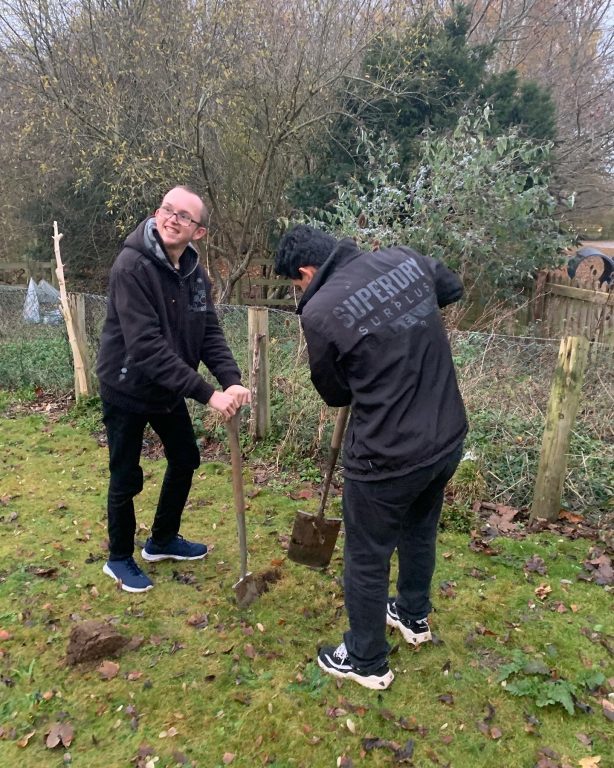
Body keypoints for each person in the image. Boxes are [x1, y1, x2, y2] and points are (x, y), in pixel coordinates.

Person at [275, 224, 467, 690]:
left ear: (306, 271)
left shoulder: (319, 311)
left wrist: (378, 336)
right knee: (419, 529)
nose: (300, 291)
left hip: (386, 457)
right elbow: (452, 286)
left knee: (366, 556)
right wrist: (400, 321)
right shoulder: (403, 258)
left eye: (296, 283)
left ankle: (366, 660)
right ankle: (412, 615)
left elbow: (334, 391)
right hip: (445, 438)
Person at [97, 186, 250, 593]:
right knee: (125, 475)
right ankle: (118, 558)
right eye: (168, 210)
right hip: (127, 385)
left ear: (198, 232)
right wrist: (208, 394)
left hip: (166, 388)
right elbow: (146, 348)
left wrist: (231, 380)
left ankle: (162, 540)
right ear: (157, 212)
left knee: (185, 457)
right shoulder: (132, 267)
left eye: (184, 216)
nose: (172, 219)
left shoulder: (194, 273)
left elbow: (208, 332)